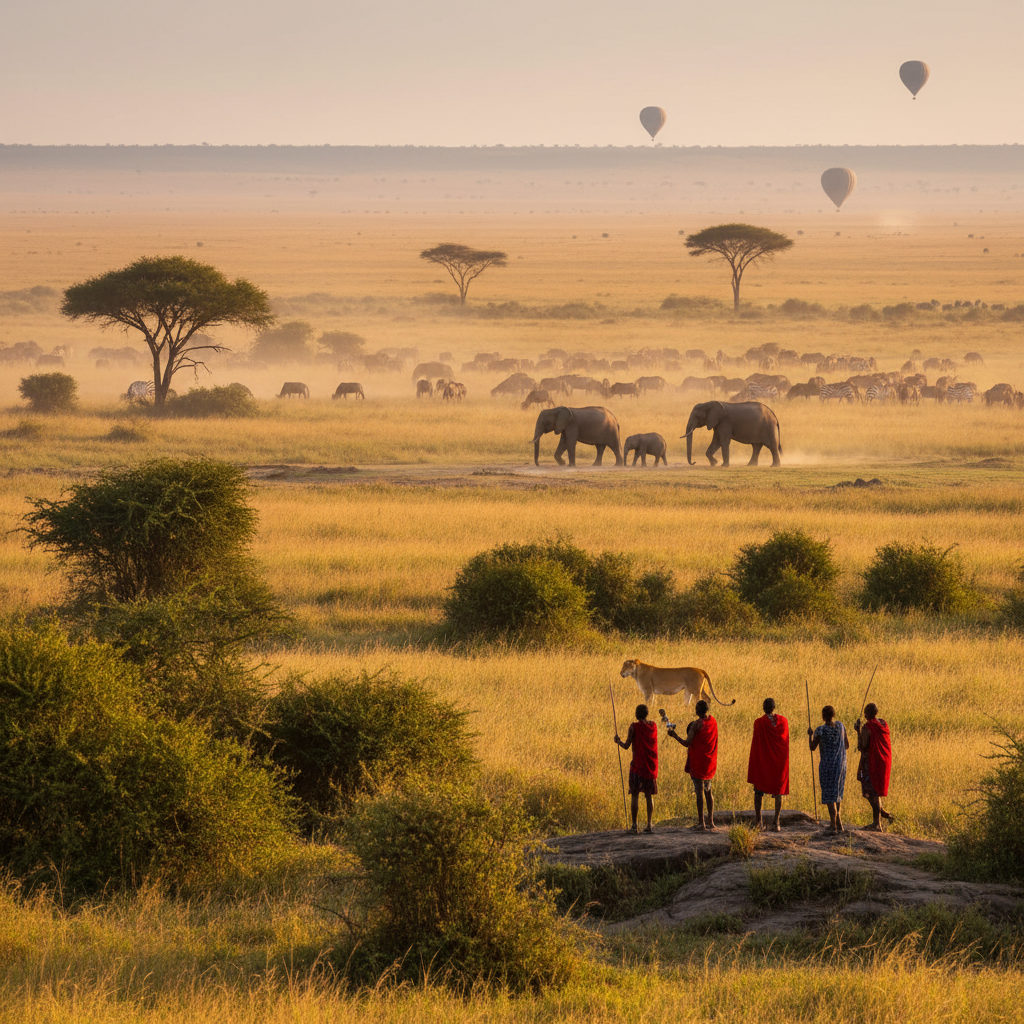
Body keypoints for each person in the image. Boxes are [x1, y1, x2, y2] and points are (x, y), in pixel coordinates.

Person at [667, 699, 718, 831]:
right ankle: (711, 822)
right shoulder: (713, 721)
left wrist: (674, 735)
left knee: (699, 792)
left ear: (697, 711)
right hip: (709, 761)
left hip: (698, 761)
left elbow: (686, 743)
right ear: (707, 710)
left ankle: (701, 823)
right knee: (708, 791)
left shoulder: (696, 725)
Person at [747, 697, 789, 831]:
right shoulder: (784, 722)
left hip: (763, 763)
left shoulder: (759, 723)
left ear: (763, 708)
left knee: (758, 792)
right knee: (779, 792)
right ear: (774, 708)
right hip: (778, 764)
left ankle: (758, 821)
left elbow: (757, 743)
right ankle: (776, 822)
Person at [614, 704, 657, 834]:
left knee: (635, 794)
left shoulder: (634, 727)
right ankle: (649, 824)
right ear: (647, 714)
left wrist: (618, 741)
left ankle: (634, 825)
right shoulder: (653, 726)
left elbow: (627, 745)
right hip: (650, 766)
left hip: (637, 766)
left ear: (636, 714)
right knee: (649, 795)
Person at [808, 705, 849, 833]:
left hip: (827, 765)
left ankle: (833, 825)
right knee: (837, 793)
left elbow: (812, 747)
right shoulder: (841, 726)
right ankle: (839, 823)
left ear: (823, 716)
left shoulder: (820, 730)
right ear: (833, 715)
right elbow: (846, 745)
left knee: (829, 794)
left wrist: (810, 735)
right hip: (841, 765)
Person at [854, 702, 892, 831]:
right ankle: (881, 813)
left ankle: (877, 824)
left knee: (871, 792)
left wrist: (858, 731)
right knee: (875, 790)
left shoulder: (868, 727)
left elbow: (862, 746)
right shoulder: (883, 724)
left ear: (867, 714)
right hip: (884, 760)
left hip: (872, 762)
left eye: (865, 713)